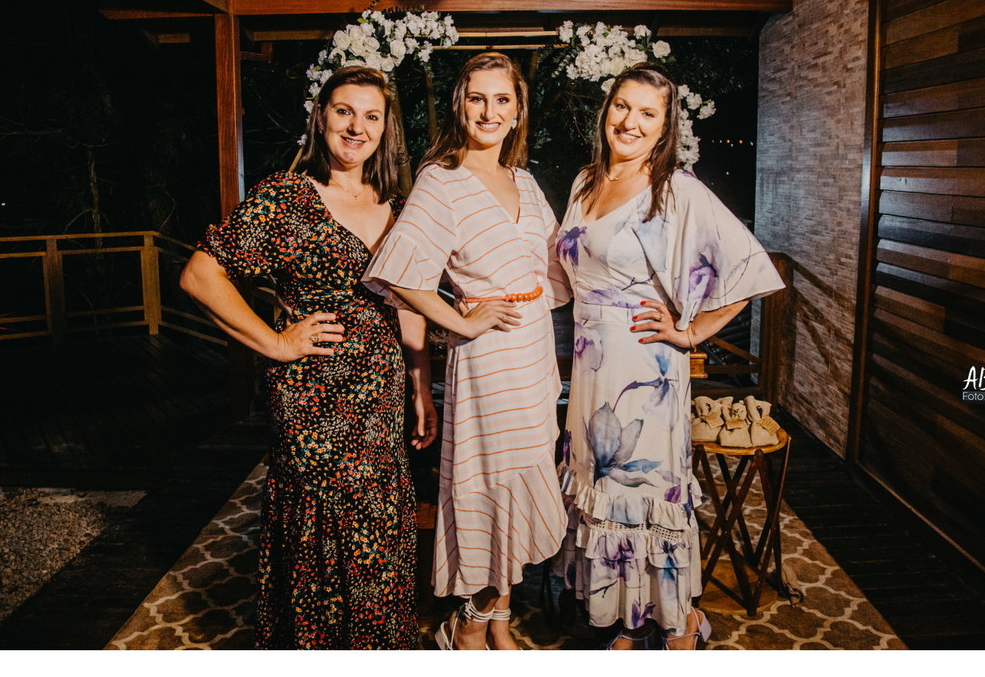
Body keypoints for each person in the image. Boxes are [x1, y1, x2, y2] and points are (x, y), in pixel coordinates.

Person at [179, 66, 437, 649]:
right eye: (344, 111)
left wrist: (420, 386)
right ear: (321, 118)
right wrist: (275, 343)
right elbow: (200, 276)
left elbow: (410, 300)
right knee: (320, 526)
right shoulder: (285, 197)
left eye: (371, 116)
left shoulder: (400, 205)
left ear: (385, 128)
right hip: (312, 396)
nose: (356, 127)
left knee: (378, 523)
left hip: (382, 396)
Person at [554, 63, 784, 649]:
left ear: (664, 128)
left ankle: (678, 627)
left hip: (645, 365)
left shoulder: (675, 189)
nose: (630, 122)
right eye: (622, 106)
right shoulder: (584, 181)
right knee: (603, 488)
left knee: (644, 492)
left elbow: (750, 265)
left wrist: (693, 331)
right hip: (590, 366)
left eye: (647, 113)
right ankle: (627, 621)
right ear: (607, 110)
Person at [362, 52, 570, 650]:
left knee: (523, 484)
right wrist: (461, 320)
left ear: (517, 111)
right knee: (493, 487)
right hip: (486, 360)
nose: (489, 111)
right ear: (461, 105)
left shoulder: (524, 180)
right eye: (477, 98)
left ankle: (499, 620)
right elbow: (399, 272)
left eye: (502, 100)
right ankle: (468, 625)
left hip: (534, 352)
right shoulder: (442, 179)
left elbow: (560, 264)